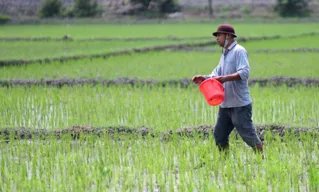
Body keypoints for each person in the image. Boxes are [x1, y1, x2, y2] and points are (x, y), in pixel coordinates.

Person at [192, 24, 263, 154]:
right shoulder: (225, 53)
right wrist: (204, 78)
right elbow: (216, 74)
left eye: (219, 35)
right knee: (219, 136)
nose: (217, 38)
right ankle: (225, 162)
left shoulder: (239, 51)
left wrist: (224, 79)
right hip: (225, 105)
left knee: (248, 136)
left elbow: (245, 72)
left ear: (228, 36)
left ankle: (263, 160)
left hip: (239, 104)